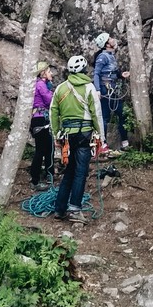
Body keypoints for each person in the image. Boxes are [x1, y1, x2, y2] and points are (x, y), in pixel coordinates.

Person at [50, 55, 105, 222]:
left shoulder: (60, 88)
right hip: (84, 134)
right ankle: (74, 209)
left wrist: (56, 134)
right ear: (84, 69)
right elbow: (97, 113)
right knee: (80, 172)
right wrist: (101, 136)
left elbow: (53, 111)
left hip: (67, 135)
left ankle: (60, 209)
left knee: (70, 171)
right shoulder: (89, 88)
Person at [93, 32, 130, 150]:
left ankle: (124, 142)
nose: (113, 39)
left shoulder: (111, 55)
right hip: (105, 89)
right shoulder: (102, 57)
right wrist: (98, 90)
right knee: (105, 116)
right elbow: (96, 73)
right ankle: (102, 143)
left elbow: (111, 72)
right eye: (110, 39)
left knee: (121, 113)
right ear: (106, 44)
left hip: (113, 88)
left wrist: (121, 75)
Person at [29, 61, 54, 190]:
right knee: (41, 150)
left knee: (48, 148)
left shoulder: (42, 84)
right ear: (43, 73)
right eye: (49, 71)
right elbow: (49, 100)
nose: (52, 74)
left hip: (41, 119)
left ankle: (49, 174)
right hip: (40, 120)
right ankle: (35, 180)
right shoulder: (40, 85)